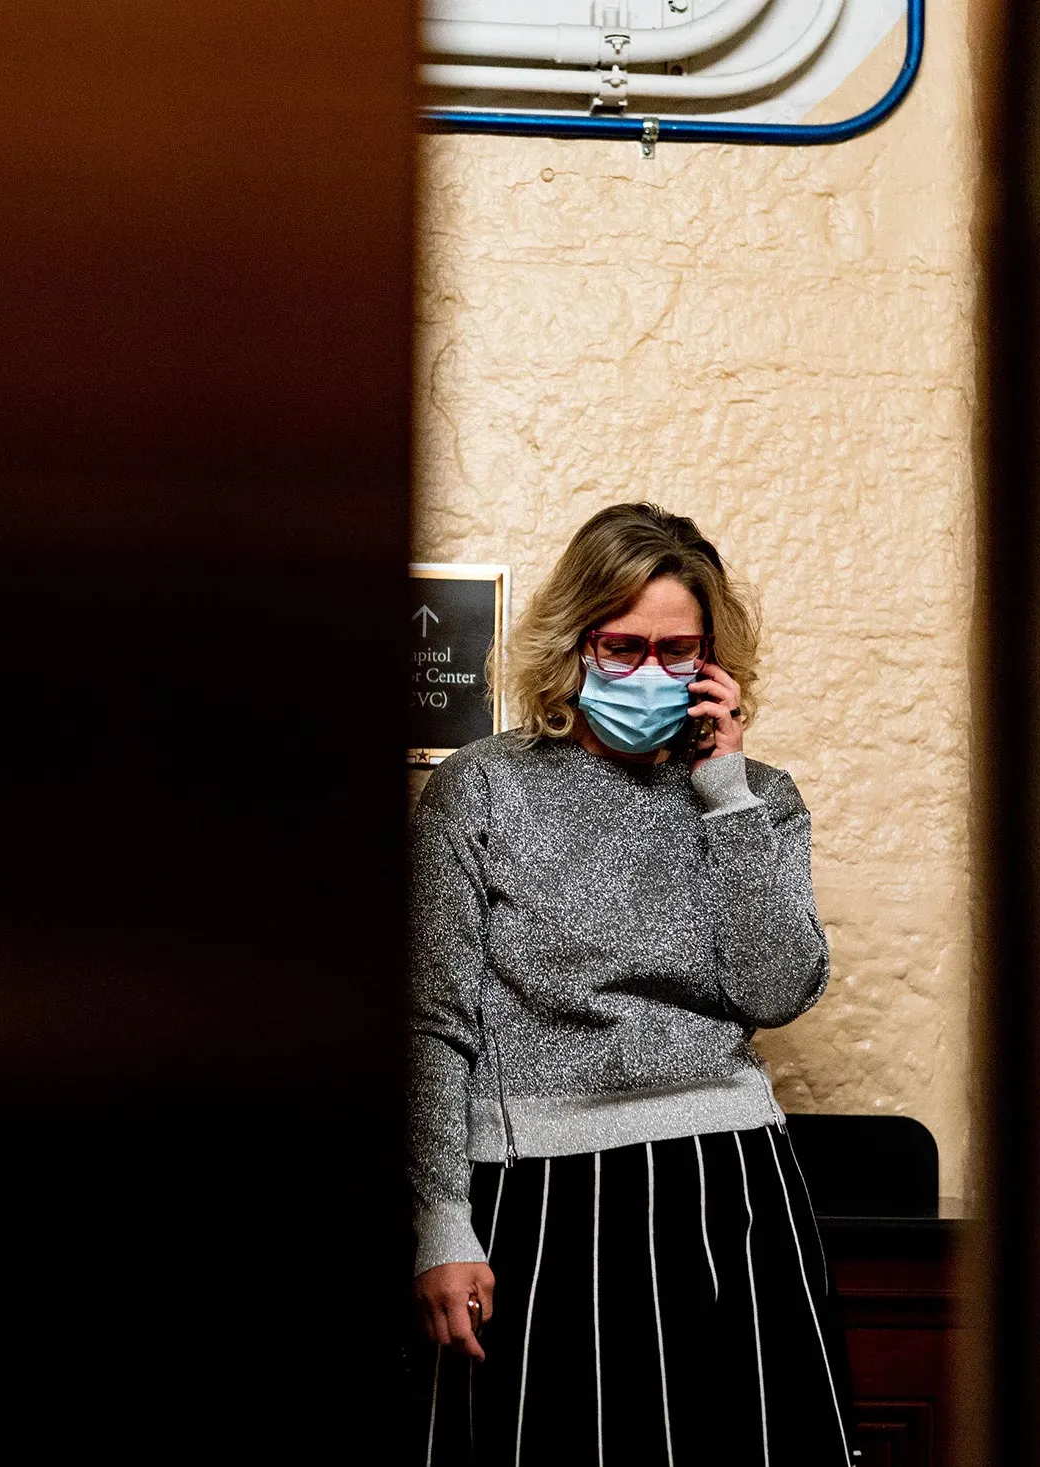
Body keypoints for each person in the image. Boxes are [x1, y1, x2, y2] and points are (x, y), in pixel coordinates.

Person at [409, 503, 853, 1465]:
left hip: (730, 1185)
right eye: (624, 646)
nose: (651, 671)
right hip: (538, 1193)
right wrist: (441, 1219)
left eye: (678, 650)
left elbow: (777, 989)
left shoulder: (759, 796)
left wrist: (726, 793)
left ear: (714, 662)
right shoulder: (484, 787)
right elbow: (429, 1027)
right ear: (575, 645)